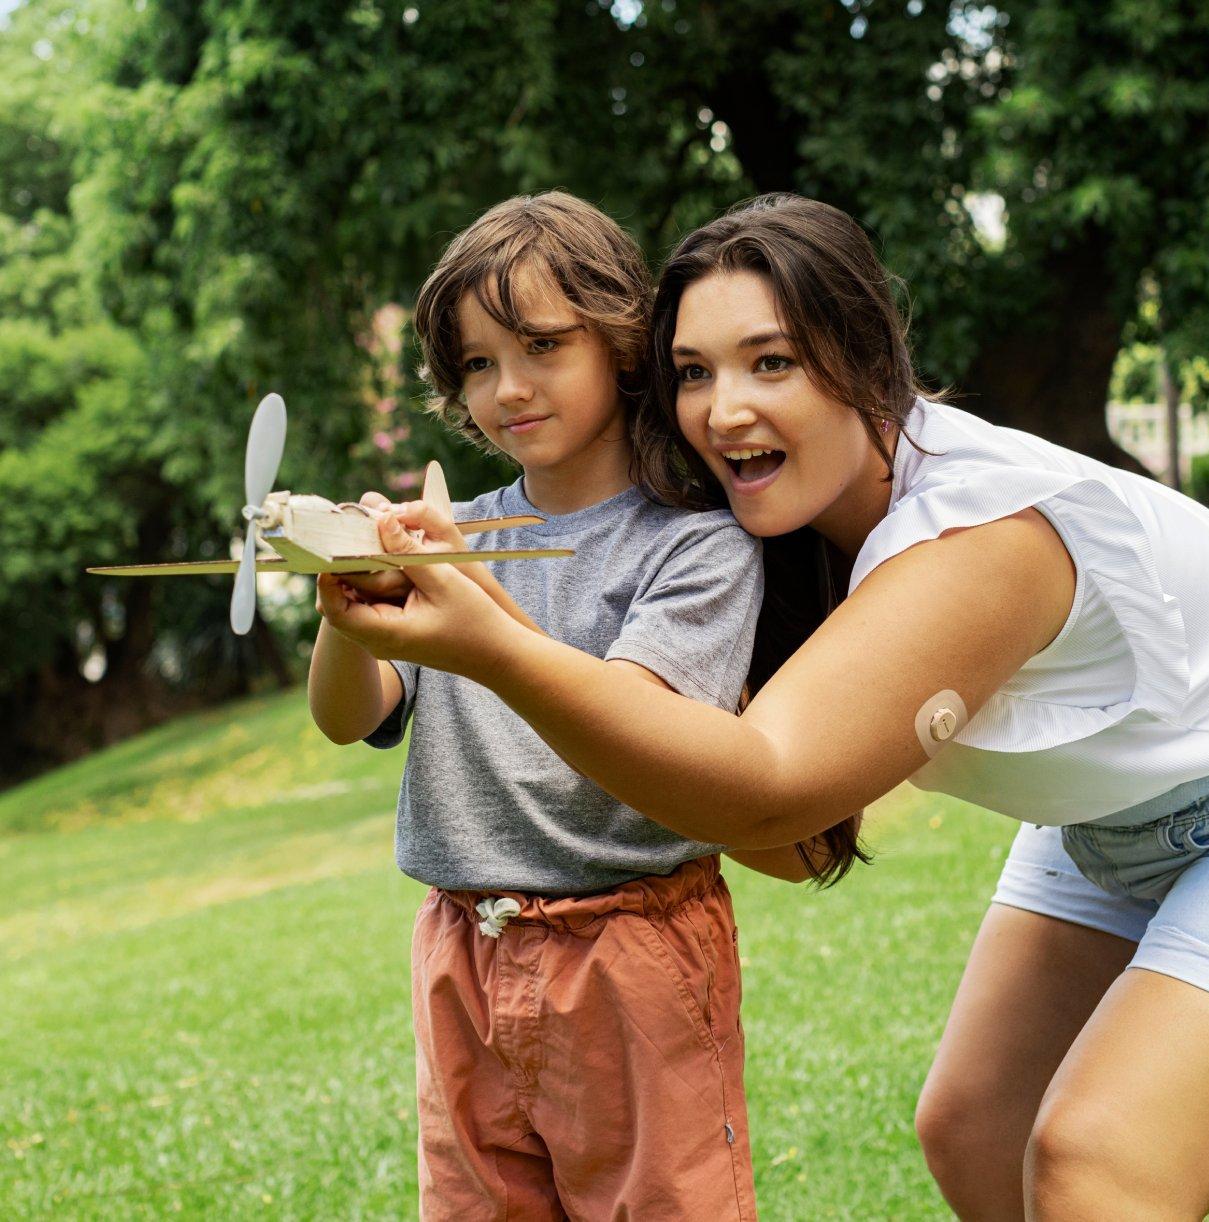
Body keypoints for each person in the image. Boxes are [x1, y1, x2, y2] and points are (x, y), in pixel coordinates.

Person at [318, 194, 1209, 1219]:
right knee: (975, 1130)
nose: (726, 408)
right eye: (697, 372)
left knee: (1102, 1164)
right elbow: (801, 848)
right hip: (1120, 815)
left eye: (772, 362)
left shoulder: (978, 536)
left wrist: (497, 645)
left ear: (863, 359)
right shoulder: (781, 526)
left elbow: (768, 791)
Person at [309, 191, 861, 1221]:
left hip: (630, 947)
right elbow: (351, 716)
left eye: (541, 346)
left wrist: (470, 592)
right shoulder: (455, 530)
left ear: (619, 341)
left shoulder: (692, 542)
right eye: (476, 363)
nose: (507, 387)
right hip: (463, 941)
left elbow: (626, 724)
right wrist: (345, 605)